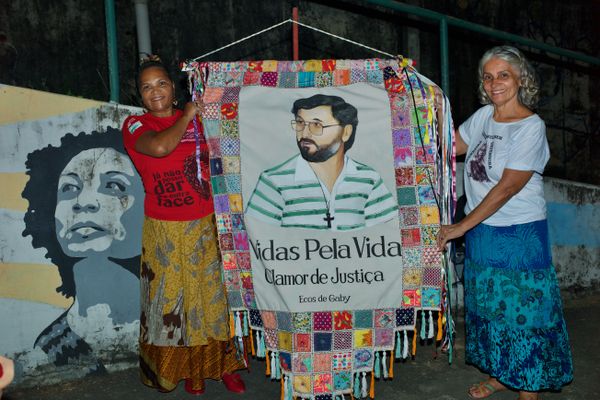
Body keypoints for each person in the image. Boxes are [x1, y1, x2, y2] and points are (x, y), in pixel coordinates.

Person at [437, 46, 573, 400]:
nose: (495, 82)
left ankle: (528, 388)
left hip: (518, 232)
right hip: (483, 231)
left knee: (523, 312)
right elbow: (448, 148)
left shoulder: (531, 126)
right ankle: (503, 375)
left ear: (520, 79)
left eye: (504, 75)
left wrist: (459, 227)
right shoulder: (484, 117)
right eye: (488, 76)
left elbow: (508, 187)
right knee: (490, 307)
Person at [121, 56, 246, 394]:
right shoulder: (135, 125)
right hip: (164, 229)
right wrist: (189, 114)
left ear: (173, 88)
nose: (155, 91)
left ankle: (222, 367)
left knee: (211, 300)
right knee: (171, 305)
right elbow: (160, 148)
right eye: (146, 87)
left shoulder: (200, 119)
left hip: (205, 223)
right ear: (140, 95)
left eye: (161, 83)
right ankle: (182, 373)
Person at [23, 129, 144, 375]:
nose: (84, 201)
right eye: (69, 188)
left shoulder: (170, 319)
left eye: (113, 185)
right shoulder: (48, 347)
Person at [246, 94, 398, 231]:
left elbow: (390, 234)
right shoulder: (273, 182)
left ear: (345, 132)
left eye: (317, 125)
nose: (304, 133)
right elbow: (257, 241)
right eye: (300, 123)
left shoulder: (369, 179)